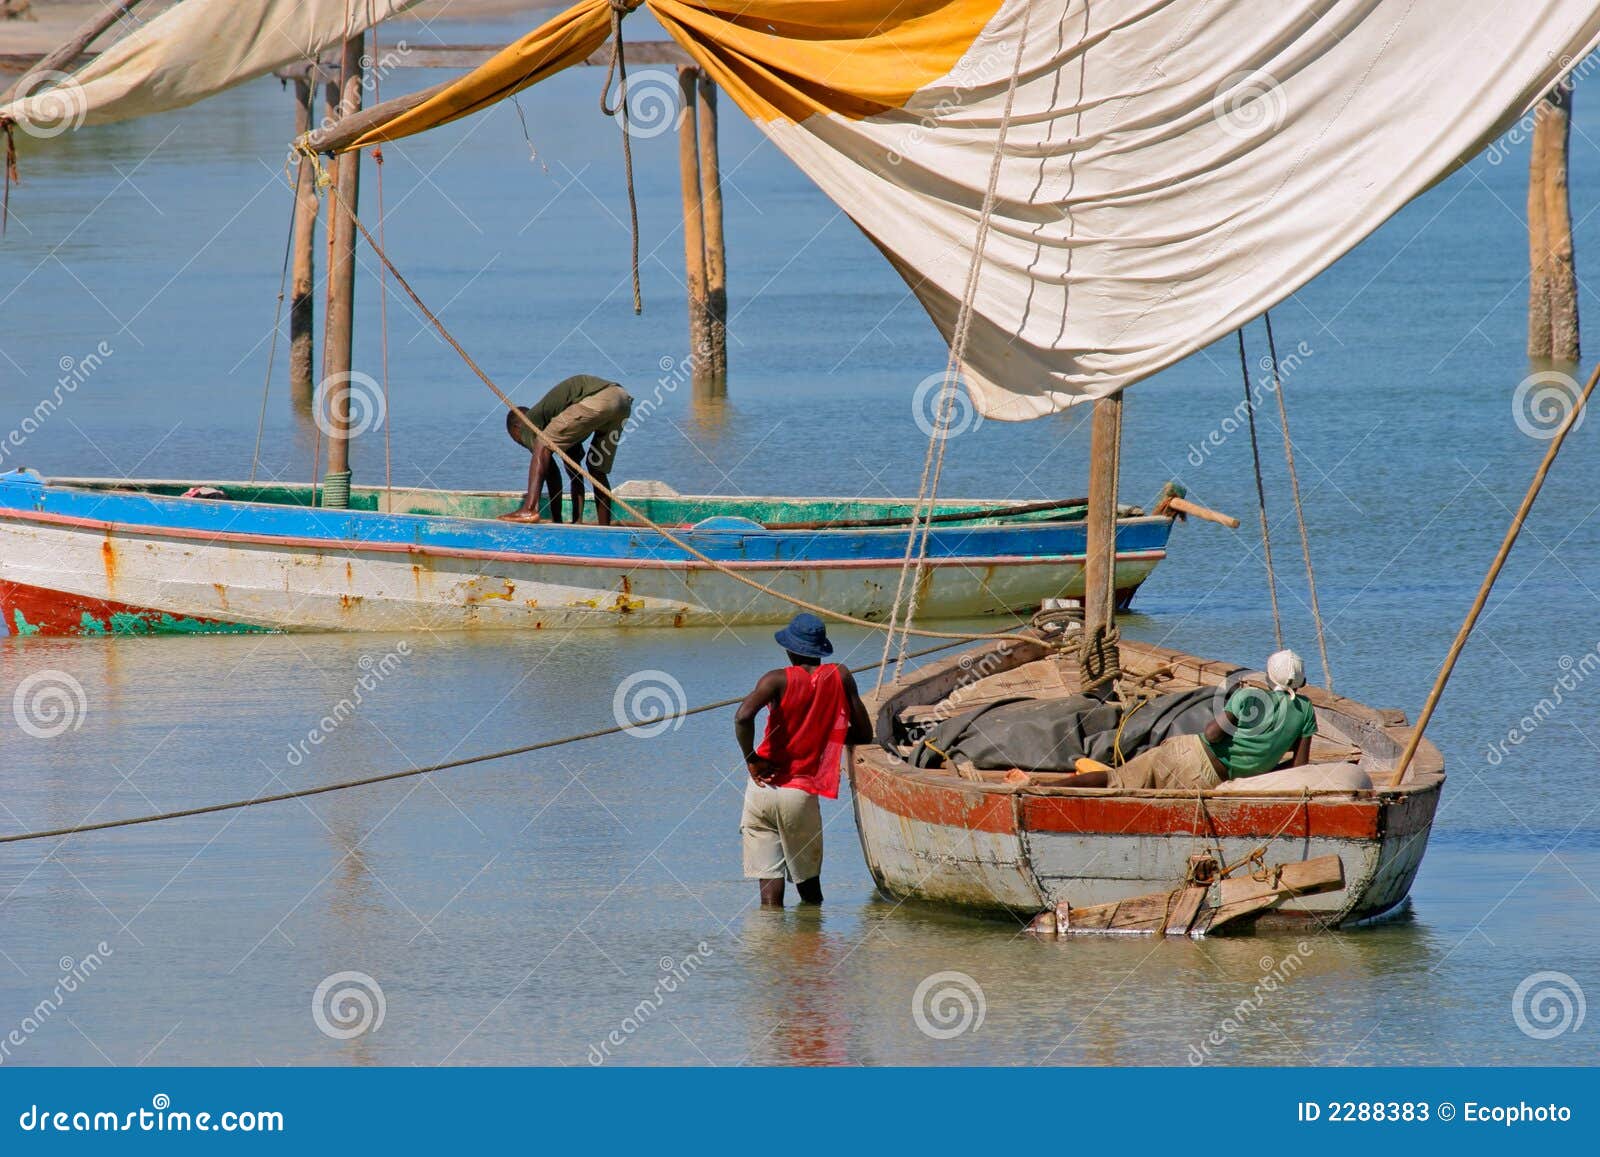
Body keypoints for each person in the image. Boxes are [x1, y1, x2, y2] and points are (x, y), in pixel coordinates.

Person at [734, 613, 872, 907]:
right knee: (810, 892)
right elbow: (864, 733)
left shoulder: (774, 680)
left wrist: (751, 759)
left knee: (769, 896)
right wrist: (827, 732)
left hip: (761, 789)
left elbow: (743, 716)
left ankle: (772, 950)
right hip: (800, 794)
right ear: (821, 649)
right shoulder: (841, 676)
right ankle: (809, 945)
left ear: (789, 650)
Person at [1058, 649, 1317, 790]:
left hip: (1190, 755)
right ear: (1302, 681)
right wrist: (1261, 766)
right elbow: (1300, 767)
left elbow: (1213, 735)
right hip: (1215, 780)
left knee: (1115, 781)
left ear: (1269, 678)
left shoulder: (1249, 696)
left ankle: (1050, 791)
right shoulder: (1305, 710)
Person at [500, 374, 634, 525]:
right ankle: (604, 527)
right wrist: (577, 521)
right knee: (596, 468)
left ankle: (529, 509)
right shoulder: (565, 426)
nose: (522, 443)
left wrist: (557, 520)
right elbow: (576, 474)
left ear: (517, 428)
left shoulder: (528, 423)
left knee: (541, 444)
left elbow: (552, 475)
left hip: (597, 399)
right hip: (621, 399)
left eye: (517, 439)